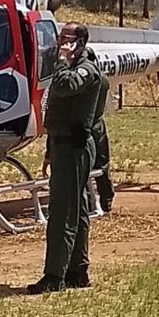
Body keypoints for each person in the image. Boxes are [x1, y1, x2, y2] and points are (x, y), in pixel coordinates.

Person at [27, 22, 102, 294]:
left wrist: (60, 62)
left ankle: (54, 276)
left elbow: (64, 87)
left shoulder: (84, 69)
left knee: (62, 212)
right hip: (63, 145)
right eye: (60, 37)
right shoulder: (72, 67)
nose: (61, 43)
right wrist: (50, 150)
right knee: (77, 209)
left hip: (75, 147)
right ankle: (76, 271)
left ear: (79, 42)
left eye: (66, 39)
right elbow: (58, 111)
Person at [87, 48, 115, 213]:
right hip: (99, 125)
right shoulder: (103, 79)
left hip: (87, 125)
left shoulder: (87, 79)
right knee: (102, 163)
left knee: (84, 164)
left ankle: (90, 198)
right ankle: (107, 197)